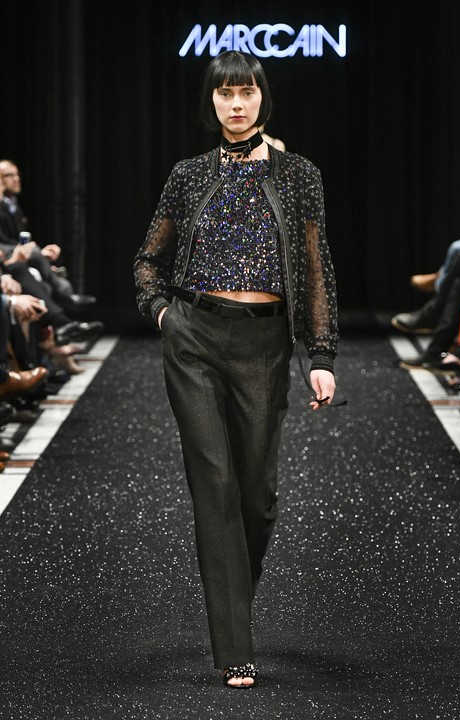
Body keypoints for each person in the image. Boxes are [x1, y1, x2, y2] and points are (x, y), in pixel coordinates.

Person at [133, 50, 339, 688]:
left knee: (258, 496)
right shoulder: (189, 174)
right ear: (212, 102)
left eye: (246, 91)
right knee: (215, 484)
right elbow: (148, 259)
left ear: (262, 97)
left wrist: (321, 354)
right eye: (225, 93)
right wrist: (163, 314)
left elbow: (315, 267)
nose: (237, 103)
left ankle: (232, 608)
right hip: (194, 338)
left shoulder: (298, 174)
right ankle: (235, 648)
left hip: (264, 344)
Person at [0, 159, 96, 311]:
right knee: (34, 253)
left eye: (17, 175)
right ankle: (65, 297)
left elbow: (18, 238)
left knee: (45, 284)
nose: (16, 179)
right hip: (5, 256)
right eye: (9, 175)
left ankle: (61, 321)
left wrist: (40, 255)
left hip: (15, 255)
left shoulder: (13, 204)